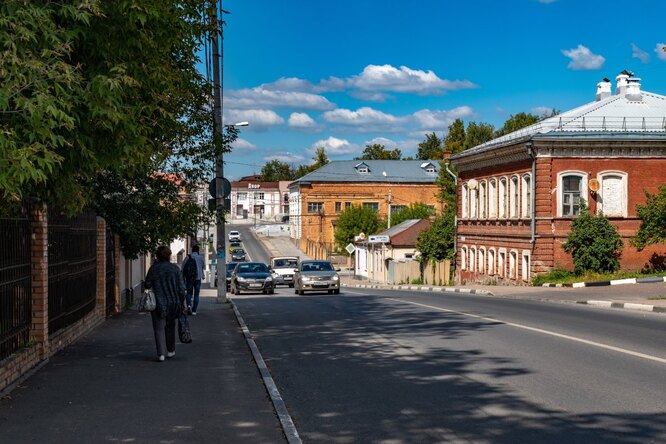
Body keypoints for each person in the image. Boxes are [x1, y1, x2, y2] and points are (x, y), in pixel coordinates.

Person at [144, 246, 186, 362]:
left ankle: (161, 354)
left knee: (158, 328)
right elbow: (181, 288)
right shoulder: (175, 269)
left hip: (158, 302)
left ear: (157, 256)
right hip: (173, 302)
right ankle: (171, 350)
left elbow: (147, 285)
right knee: (170, 326)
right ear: (169, 256)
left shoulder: (154, 269)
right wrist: (183, 302)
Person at [183, 244, 205, 315]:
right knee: (196, 294)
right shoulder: (201, 258)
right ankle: (194, 310)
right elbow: (203, 267)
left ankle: (189, 305)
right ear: (198, 250)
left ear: (192, 250)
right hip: (198, 278)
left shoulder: (188, 257)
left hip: (189, 278)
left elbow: (183, 267)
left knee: (189, 293)